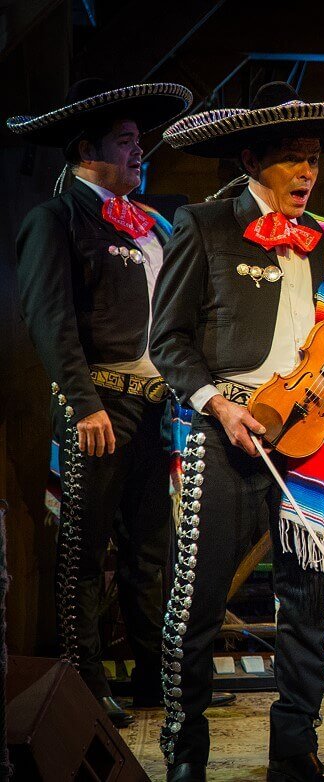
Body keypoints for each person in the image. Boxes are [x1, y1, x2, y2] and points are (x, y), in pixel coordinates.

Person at [152, 82, 324, 782]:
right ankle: (185, 753)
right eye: (293, 158)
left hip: (312, 438)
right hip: (225, 431)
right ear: (253, 158)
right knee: (197, 598)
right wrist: (216, 406)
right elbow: (168, 340)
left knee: (307, 604)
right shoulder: (203, 224)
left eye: (314, 160)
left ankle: (296, 751)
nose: (307, 173)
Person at [9, 78, 192, 728]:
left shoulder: (157, 225)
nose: (139, 152)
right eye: (125, 141)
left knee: (153, 551)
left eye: (140, 142)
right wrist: (83, 404)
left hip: (155, 409)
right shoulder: (55, 219)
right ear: (87, 149)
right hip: (97, 405)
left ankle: (154, 679)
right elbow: (49, 317)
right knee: (82, 551)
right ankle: (85, 686)